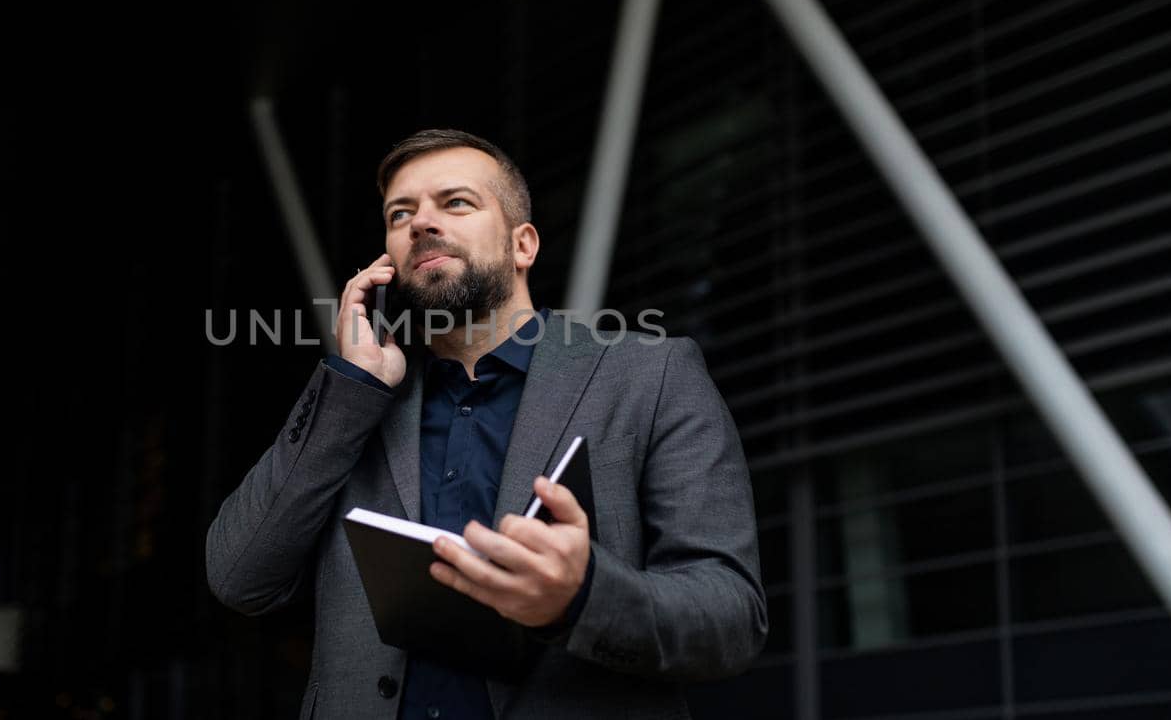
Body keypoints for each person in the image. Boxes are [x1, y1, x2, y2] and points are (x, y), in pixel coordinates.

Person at [206, 129, 767, 719]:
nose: (422, 222)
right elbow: (241, 578)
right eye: (401, 214)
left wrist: (581, 597)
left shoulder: (650, 375)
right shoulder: (359, 403)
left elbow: (731, 618)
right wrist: (351, 388)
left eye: (455, 203)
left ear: (522, 245)